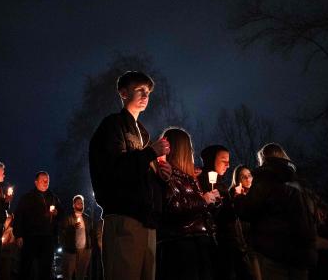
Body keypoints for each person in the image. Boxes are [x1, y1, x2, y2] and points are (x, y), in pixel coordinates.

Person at [88, 71, 171, 280]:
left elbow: (143, 178)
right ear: (123, 93)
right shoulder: (113, 126)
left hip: (146, 221)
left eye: (148, 92)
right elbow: (114, 170)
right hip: (124, 218)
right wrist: (150, 153)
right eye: (140, 90)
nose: (145, 96)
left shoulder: (143, 134)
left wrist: (162, 176)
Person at [236, 143, 317, 280]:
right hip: (302, 249)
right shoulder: (298, 179)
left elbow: (247, 210)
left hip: (275, 250)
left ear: (263, 159)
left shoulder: (264, 179)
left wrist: (238, 198)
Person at [156, 127, 218, 280]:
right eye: (189, 148)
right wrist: (203, 200)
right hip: (182, 244)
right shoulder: (167, 175)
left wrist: (212, 203)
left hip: (196, 242)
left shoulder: (187, 177)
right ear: (182, 149)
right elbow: (175, 208)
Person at [197, 144, 238, 280]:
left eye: (228, 161)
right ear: (210, 160)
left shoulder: (221, 183)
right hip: (214, 243)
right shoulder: (199, 181)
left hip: (228, 242)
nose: (228, 165)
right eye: (223, 160)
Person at [13, 171, 63, 280]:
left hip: (47, 237)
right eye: (43, 180)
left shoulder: (53, 197)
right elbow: (18, 217)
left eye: (47, 180)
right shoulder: (27, 198)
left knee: (46, 268)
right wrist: (18, 235)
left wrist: (57, 213)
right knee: (26, 266)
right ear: (36, 182)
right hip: (30, 237)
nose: (46, 182)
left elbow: (61, 214)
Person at [229, 165, 260, 280]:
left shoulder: (257, 193)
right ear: (238, 180)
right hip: (244, 241)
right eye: (243, 177)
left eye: (249, 176)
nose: (247, 179)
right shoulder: (234, 196)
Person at [60, 195, 92, 280]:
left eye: (82, 203)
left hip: (85, 250)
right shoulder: (68, 217)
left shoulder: (87, 218)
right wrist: (72, 228)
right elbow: (62, 232)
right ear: (73, 205)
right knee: (68, 274)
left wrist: (90, 247)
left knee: (81, 274)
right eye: (78, 203)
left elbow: (91, 232)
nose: (80, 204)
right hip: (71, 250)